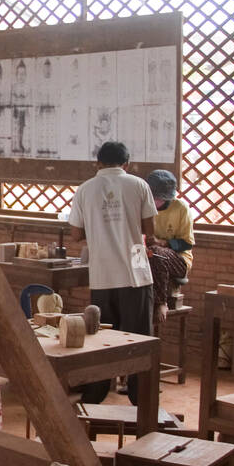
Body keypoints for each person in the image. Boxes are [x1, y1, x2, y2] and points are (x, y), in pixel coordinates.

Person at [67, 140, 156, 403]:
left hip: (102, 275)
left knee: (101, 337)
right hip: (136, 273)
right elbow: (149, 231)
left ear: (98, 163)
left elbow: (75, 234)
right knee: (138, 339)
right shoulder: (139, 185)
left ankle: (95, 393)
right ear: (126, 164)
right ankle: (142, 398)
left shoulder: (84, 190)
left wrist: (98, 229)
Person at [143, 169, 195, 331]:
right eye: (153, 198)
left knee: (157, 254)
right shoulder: (143, 206)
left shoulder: (180, 208)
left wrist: (162, 243)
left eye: (159, 199)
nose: (156, 202)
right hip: (149, 254)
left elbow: (187, 243)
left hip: (178, 260)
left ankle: (161, 302)